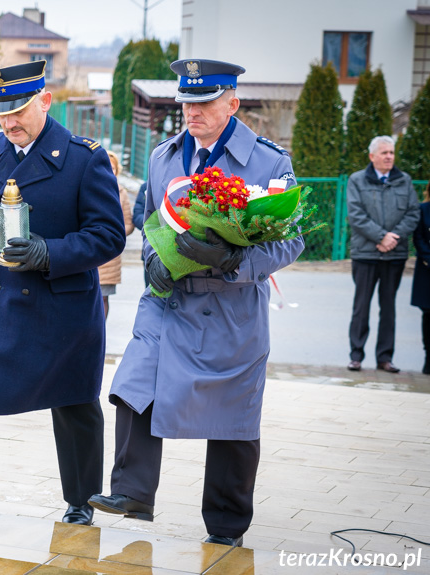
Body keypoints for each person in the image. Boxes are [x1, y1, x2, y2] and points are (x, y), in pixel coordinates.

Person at [88, 59, 305, 547]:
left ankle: (227, 524)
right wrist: (153, 262)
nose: (192, 111)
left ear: (233, 103)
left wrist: (232, 260)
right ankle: (132, 493)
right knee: (134, 383)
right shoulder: (165, 156)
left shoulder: (270, 162)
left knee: (233, 419)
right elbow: (149, 220)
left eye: (204, 102)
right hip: (167, 300)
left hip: (230, 309)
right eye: (187, 101)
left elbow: (290, 242)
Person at [0, 60, 126, 526]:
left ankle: (81, 499)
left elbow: (108, 234)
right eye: (1, 113)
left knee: (74, 401)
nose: (9, 122)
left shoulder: (83, 156)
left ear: (45, 101)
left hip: (63, 303)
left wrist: (47, 252)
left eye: (18, 111)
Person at [346, 136, 420, 373]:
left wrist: (393, 238)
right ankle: (356, 356)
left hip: (394, 255)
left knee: (388, 308)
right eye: (384, 152)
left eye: (391, 152)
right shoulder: (357, 180)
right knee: (361, 307)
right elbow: (356, 215)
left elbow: (412, 213)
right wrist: (380, 237)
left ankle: (384, 359)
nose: (389, 156)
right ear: (372, 156)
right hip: (365, 254)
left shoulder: (404, 181)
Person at [99, 150, 135, 319]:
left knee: (103, 297)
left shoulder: (121, 192)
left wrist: (114, 233)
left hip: (108, 255)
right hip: (86, 250)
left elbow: (128, 223)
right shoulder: (86, 185)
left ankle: (101, 332)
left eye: (112, 167)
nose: (109, 170)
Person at [412, 184, 430, 375]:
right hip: (427, 268)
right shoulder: (424, 209)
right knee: (428, 316)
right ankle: (428, 359)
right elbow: (419, 237)